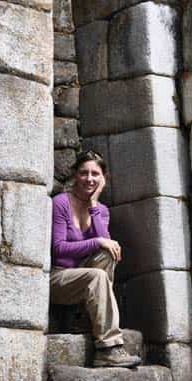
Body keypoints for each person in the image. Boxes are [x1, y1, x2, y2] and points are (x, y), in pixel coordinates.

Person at [50, 150, 141, 368]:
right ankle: (108, 348)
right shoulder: (61, 203)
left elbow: (109, 247)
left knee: (109, 253)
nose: (89, 178)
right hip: (58, 277)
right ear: (75, 175)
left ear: (103, 178)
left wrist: (93, 204)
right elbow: (58, 249)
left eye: (95, 174)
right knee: (99, 270)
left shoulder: (101, 210)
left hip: (86, 276)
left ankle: (89, 321)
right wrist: (96, 242)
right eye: (84, 173)